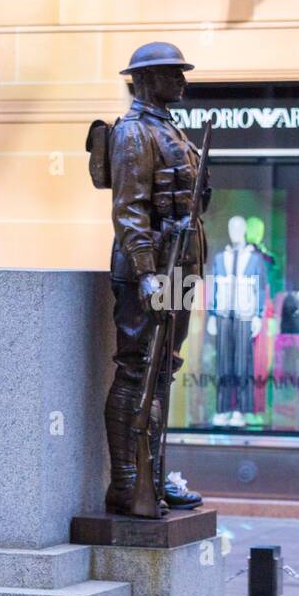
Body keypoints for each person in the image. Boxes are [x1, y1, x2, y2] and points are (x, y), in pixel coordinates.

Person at [104, 41, 208, 515]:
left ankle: (154, 475)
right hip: (149, 270)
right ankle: (127, 483)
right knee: (136, 369)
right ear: (147, 79)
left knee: (163, 370)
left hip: (181, 266)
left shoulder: (173, 131)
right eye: (173, 74)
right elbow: (128, 211)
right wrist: (146, 274)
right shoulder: (133, 133)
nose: (182, 81)